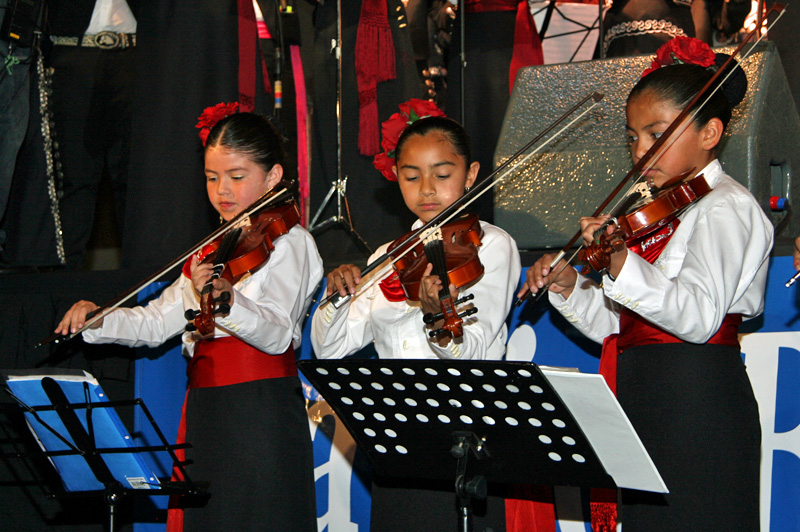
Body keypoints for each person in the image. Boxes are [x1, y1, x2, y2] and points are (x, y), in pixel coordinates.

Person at [519, 36, 772, 531]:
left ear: (710, 132)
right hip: (645, 396)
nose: (640, 151)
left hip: (696, 403)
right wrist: (571, 285)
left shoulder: (726, 205)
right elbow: (628, 328)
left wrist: (618, 260)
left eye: (656, 133)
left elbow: (697, 318)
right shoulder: (663, 213)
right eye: (632, 136)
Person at [55, 109, 322, 532]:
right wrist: (98, 320)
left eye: (237, 176)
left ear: (273, 177)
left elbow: (277, 334)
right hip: (207, 411)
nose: (222, 191)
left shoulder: (293, 242)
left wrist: (227, 301)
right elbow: (157, 322)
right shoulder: (211, 250)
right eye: (212, 178)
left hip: (260, 412)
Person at [311, 99, 521, 531]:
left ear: (472, 174)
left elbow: (475, 350)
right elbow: (329, 349)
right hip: (400, 429)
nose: (426, 188)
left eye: (442, 175)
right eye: (411, 176)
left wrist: (439, 321)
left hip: (467, 426)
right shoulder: (387, 257)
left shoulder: (492, 246)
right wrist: (337, 296)